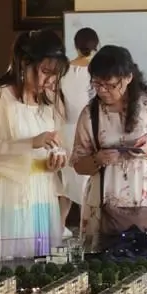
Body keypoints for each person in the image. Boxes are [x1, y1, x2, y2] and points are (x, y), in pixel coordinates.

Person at [70, 45, 147, 252]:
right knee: (102, 261)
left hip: (146, 202)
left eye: (110, 85)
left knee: (145, 257)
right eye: (97, 84)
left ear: (128, 78)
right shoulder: (91, 113)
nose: (102, 90)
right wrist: (98, 159)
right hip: (103, 203)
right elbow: (79, 164)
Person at [0, 30, 69, 262]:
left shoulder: (47, 101)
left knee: (41, 265)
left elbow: (53, 142)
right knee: (7, 266)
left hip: (41, 195)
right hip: (5, 195)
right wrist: (31, 142)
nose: (50, 81)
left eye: (55, 74)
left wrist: (56, 159)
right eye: (45, 72)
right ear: (25, 63)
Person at [58, 27, 99, 238]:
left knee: (65, 183)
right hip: (90, 129)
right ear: (96, 44)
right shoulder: (97, 69)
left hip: (65, 129)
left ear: (75, 45)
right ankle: (88, 228)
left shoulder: (64, 70)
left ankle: (59, 226)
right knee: (88, 181)